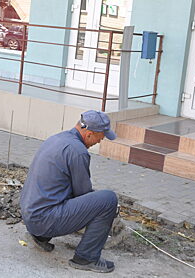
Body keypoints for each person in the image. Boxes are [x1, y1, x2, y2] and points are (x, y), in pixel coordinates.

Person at [20, 110, 119, 273]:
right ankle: (86, 258)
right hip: (44, 220)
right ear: (89, 134)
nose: (100, 141)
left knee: (62, 193)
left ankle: (39, 237)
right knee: (108, 200)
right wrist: (105, 210)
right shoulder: (78, 151)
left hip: (30, 215)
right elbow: (83, 193)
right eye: (100, 137)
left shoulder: (57, 139)